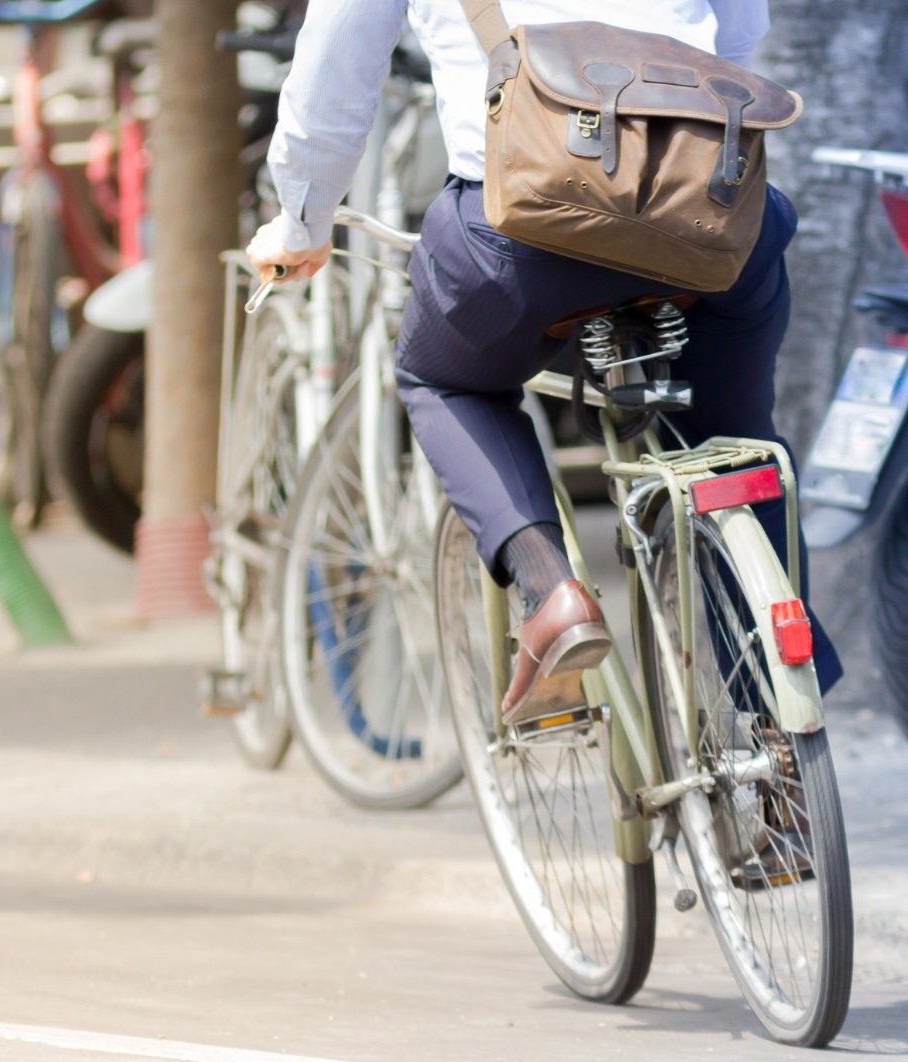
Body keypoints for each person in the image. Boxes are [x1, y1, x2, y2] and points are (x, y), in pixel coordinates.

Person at [245, 0, 842, 724]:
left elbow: (335, 62)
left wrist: (302, 219)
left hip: (521, 233)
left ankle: (549, 592)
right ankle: (782, 725)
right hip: (710, 217)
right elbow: (740, 31)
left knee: (440, 378)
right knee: (734, 440)